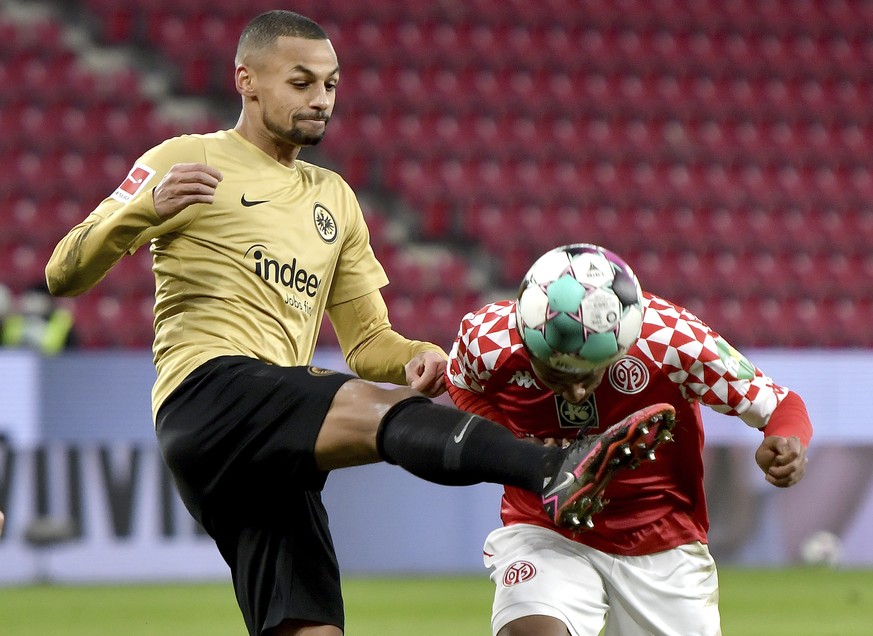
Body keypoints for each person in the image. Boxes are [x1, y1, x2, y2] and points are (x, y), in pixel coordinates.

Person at [43, 12, 662, 636]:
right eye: (301, 82)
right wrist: (141, 210)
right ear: (246, 81)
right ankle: (547, 468)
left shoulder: (334, 199)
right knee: (372, 410)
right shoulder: (187, 158)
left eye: (331, 86)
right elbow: (62, 272)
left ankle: (552, 469)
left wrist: (416, 356)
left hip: (275, 440)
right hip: (209, 394)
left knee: (310, 628)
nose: (320, 100)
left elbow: (368, 344)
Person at [446, 243, 812, 636]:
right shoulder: (488, 340)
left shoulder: (671, 339)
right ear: (526, 341)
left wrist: (786, 440)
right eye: (556, 377)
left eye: (589, 375)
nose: (575, 395)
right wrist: (511, 443)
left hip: (660, 540)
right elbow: (461, 385)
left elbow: (779, 404)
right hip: (546, 529)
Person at [0, 283, 77, 354]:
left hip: (53, 365)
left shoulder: (61, 323)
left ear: (48, 302)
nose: (34, 304)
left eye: (38, 300)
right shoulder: (13, 321)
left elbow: (72, 355)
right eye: (31, 299)